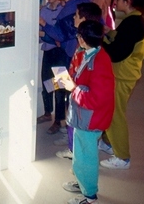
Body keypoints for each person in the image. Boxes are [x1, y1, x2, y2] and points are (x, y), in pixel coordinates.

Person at [99, 0, 144, 170]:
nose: (115, 2)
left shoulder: (133, 23)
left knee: (115, 114)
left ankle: (122, 157)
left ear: (128, 1)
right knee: (113, 110)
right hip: (125, 73)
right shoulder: (134, 19)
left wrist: (98, 41)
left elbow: (117, 53)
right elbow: (123, 40)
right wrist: (110, 33)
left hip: (123, 76)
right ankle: (108, 143)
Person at [59, 20, 115, 204]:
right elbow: (80, 76)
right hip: (83, 115)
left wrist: (73, 88)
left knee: (86, 156)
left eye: (79, 36)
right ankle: (82, 183)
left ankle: (90, 196)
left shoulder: (100, 62)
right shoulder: (89, 53)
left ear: (83, 39)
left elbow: (96, 99)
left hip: (91, 118)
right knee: (81, 153)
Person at [39, 0, 90, 134]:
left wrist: (43, 24)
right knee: (51, 83)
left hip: (67, 54)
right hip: (64, 53)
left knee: (62, 87)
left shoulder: (71, 7)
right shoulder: (74, 4)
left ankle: (61, 123)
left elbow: (61, 34)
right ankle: (55, 117)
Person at [55, 2, 104, 159]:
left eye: (76, 15)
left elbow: (90, 82)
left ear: (83, 19)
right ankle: (72, 147)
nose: (73, 17)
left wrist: (73, 85)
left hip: (81, 95)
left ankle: (74, 150)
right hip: (76, 90)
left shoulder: (92, 51)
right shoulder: (84, 43)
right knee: (72, 119)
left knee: (78, 123)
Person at [38, 0, 64, 124]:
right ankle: (48, 113)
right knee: (46, 83)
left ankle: (59, 120)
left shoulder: (63, 10)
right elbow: (39, 33)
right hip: (48, 51)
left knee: (60, 85)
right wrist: (48, 36)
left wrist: (45, 34)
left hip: (60, 53)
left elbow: (61, 36)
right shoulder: (43, 11)